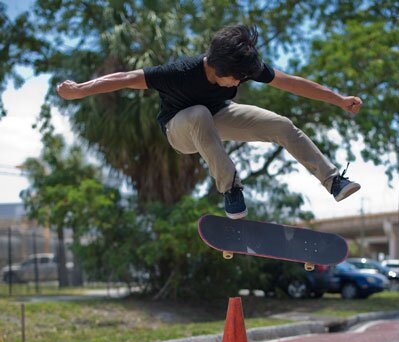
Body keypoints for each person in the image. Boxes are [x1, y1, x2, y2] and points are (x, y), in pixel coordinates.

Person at [57, 24, 362, 219]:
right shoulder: (177, 73)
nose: (239, 82)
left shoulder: (243, 65)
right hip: (179, 130)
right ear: (215, 67)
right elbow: (125, 78)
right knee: (199, 113)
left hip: (217, 118)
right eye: (235, 78)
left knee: (281, 124)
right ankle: (230, 188)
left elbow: (292, 83)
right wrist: (80, 89)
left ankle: (332, 180)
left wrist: (338, 99)